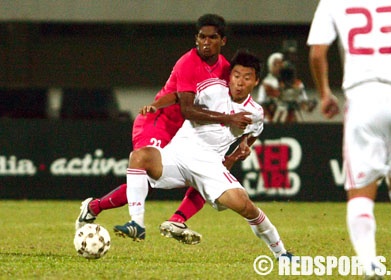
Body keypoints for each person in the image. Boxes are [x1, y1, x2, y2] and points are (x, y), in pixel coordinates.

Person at [76, 14, 252, 245]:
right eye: (202, 37)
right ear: (196, 38)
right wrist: (229, 119)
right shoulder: (188, 63)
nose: (206, 42)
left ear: (223, 41)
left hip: (189, 131)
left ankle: (176, 220)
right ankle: (129, 221)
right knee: (147, 171)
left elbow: (240, 107)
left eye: (213, 37)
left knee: (209, 175)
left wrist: (245, 141)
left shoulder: (226, 70)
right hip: (160, 122)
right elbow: (187, 108)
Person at [114, 49, 293, 260]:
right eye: (236, 76)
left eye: (247, 78)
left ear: (256, 81)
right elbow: (180, 97)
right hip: (178, 155)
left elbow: (253, 133)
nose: (240, 82)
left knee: (246, 207)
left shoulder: (255, 112)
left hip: (210, 166)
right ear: (230, 76)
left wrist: (241, 148)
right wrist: (156, 105)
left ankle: (282, 253)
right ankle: (137, 223)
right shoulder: (212, 89)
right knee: (139, 156)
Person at [307, 1, 391, 279]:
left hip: (363, 96)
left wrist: (324, 93)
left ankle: (370, 264)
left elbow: (317, 53)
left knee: (360, 192)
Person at [256, 52, 284, 123]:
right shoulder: (266, 83)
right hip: (270, 119)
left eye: (281, 63)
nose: (281, 66)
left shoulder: (286, 82)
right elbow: (261, 102)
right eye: (277, 64)